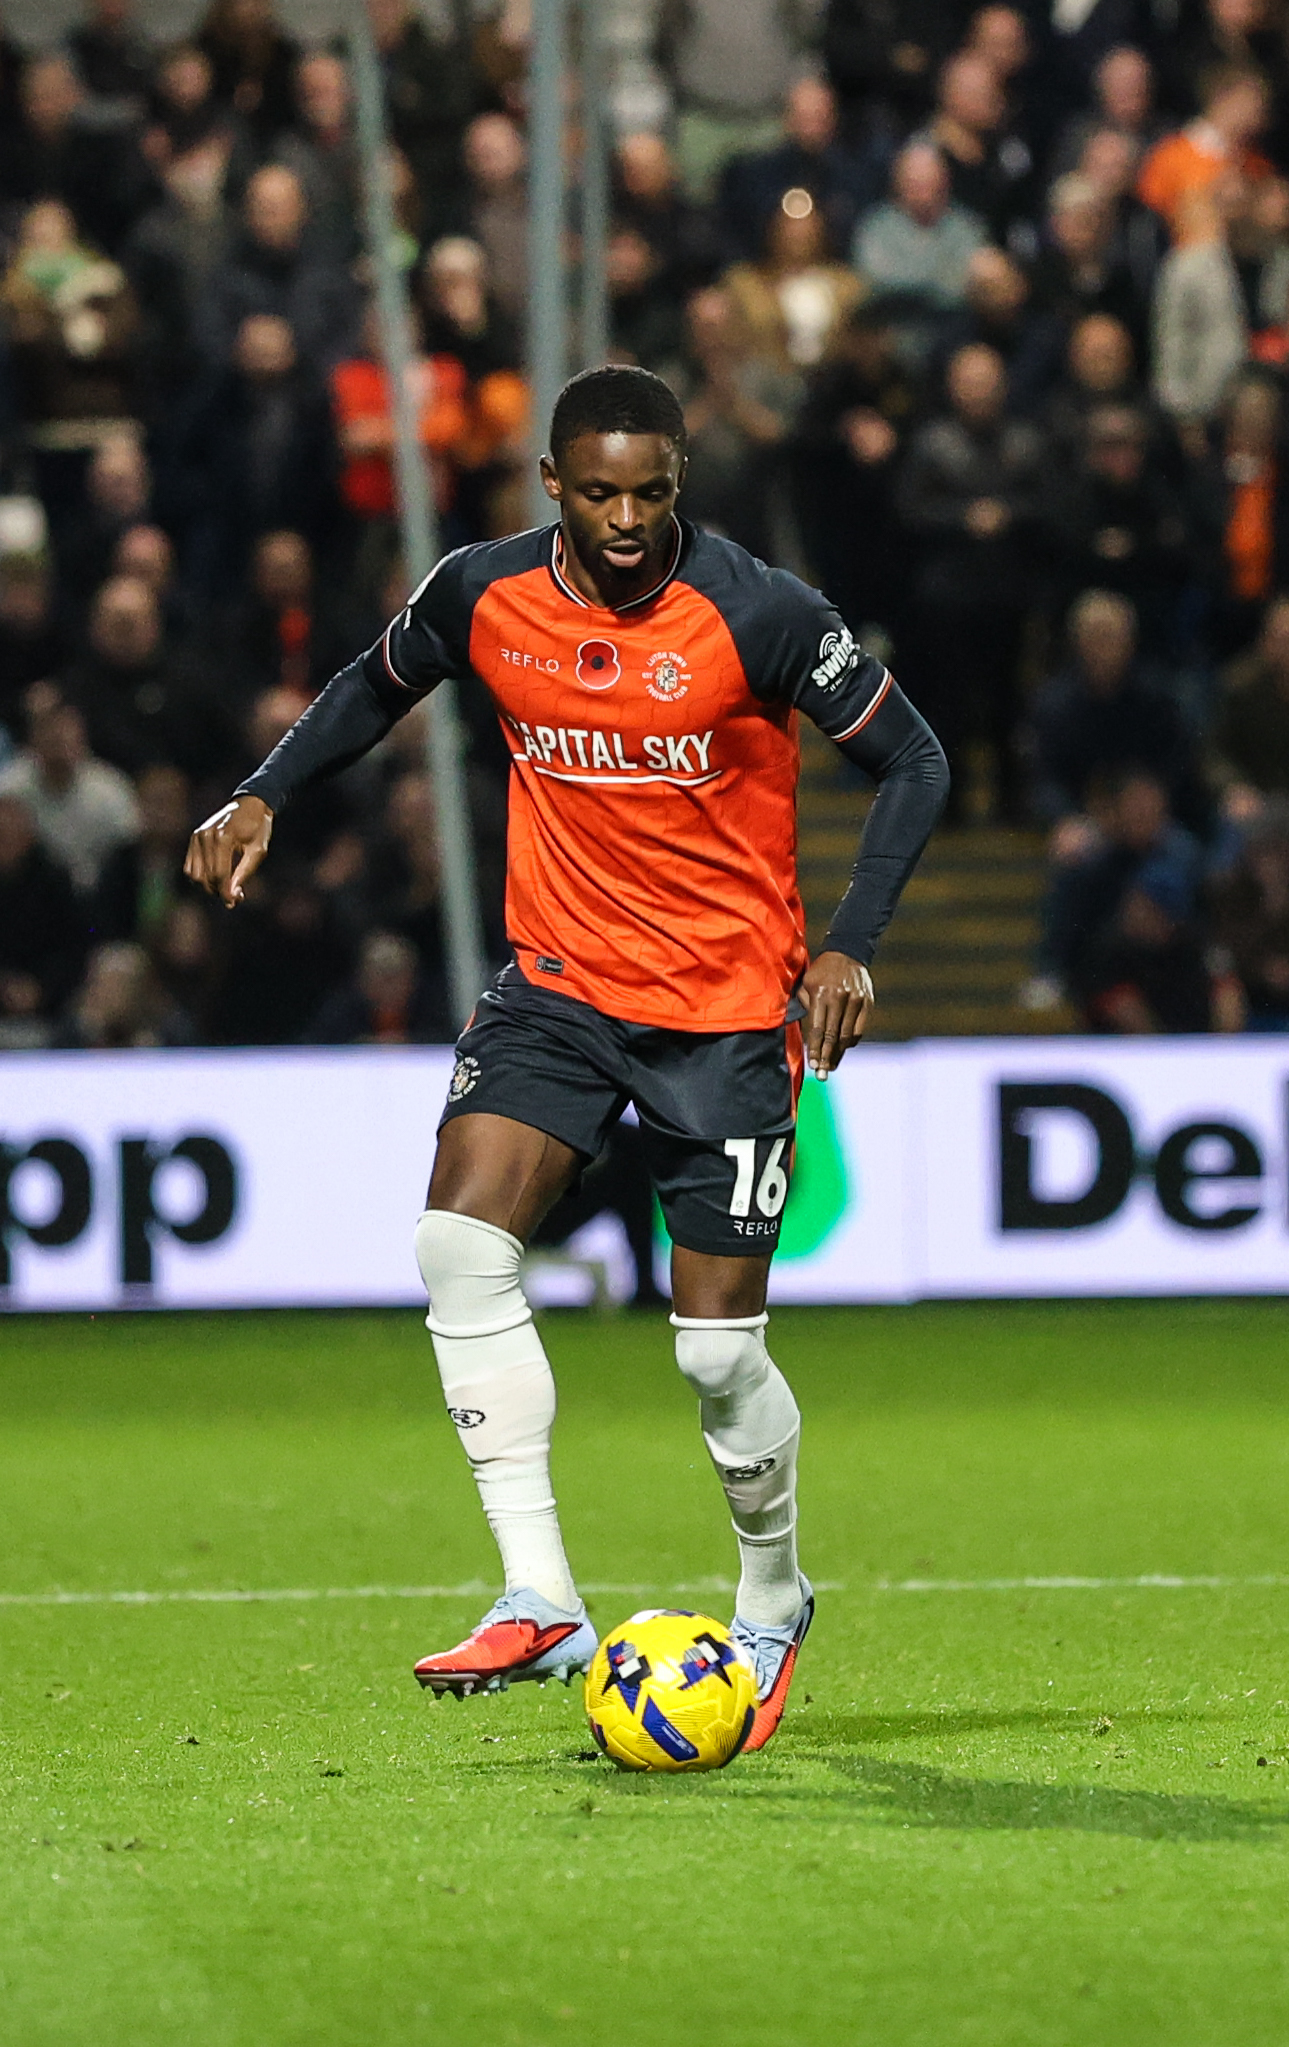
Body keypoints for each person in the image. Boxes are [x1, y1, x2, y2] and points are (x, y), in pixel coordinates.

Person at [184, 365, 947, 1738]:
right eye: (598, 493)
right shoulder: (483, 592)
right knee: (456, 1246)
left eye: (649, 493)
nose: (625, 520)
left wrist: (849, 945)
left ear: (678, 482)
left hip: (724, 1011)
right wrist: (262, 792)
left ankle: (772, 1593)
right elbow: (374, 683)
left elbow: (916, 759)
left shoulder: (760, 612)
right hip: (558, 987)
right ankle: (538, 1593)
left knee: (715, 1357)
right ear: (551, 483)